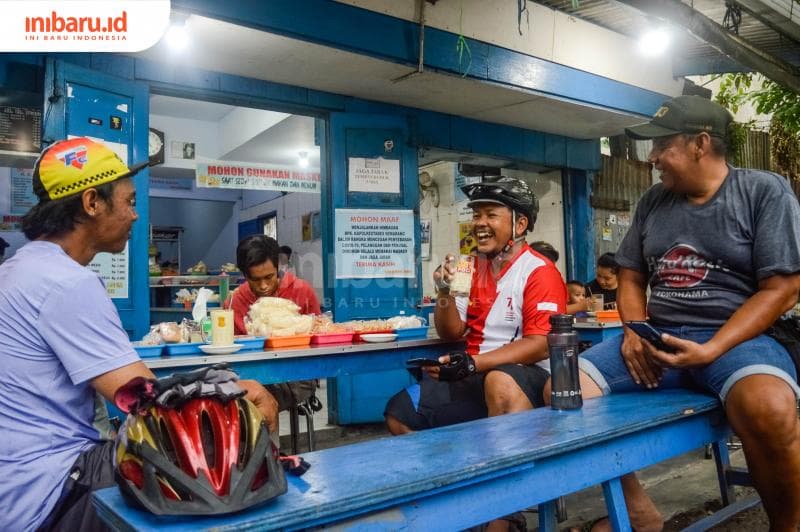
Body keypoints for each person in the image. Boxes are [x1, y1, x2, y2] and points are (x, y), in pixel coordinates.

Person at [0, 138, 279, 531]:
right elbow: (144, 401)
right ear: (92, 202)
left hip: (14, 485)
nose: (135, 215)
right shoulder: (65, 282)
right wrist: (233, 392)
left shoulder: (18, 270)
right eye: (130, 202)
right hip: (49, 488)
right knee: (205, 449)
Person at [556, 95, 800, 532]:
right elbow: (631, 276)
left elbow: (782, 288)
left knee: (769, 409)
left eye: (662, 145)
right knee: (566, 389)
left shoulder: (762, 191)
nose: (651, 157)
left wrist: (713, 348)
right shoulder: (654, 200)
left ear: (700, 144)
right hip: (660, 339)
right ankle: (637, 510)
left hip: (738, 340)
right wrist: (635, 332)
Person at [385, 176, 566, 432]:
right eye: (476, 215)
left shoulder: (539, 271)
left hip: (526, 373)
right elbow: (451, 332)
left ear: (520, 224)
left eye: (491, 215)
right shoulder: (466, 267)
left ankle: (512, 456)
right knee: (401, 412)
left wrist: (473, 363)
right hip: (474, 372)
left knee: (499, 383)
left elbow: (541, 345)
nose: (479, 223)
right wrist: (444, 290)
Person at [227, 235, 320, 412]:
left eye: (269, 277)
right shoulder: (236, 301)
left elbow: (319, 336)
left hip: (298, 374)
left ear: (278, 267)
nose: (263, 286)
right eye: (255, 279)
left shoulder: (301, 291)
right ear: (244, 275)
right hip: (251, 373)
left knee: (253, 402)